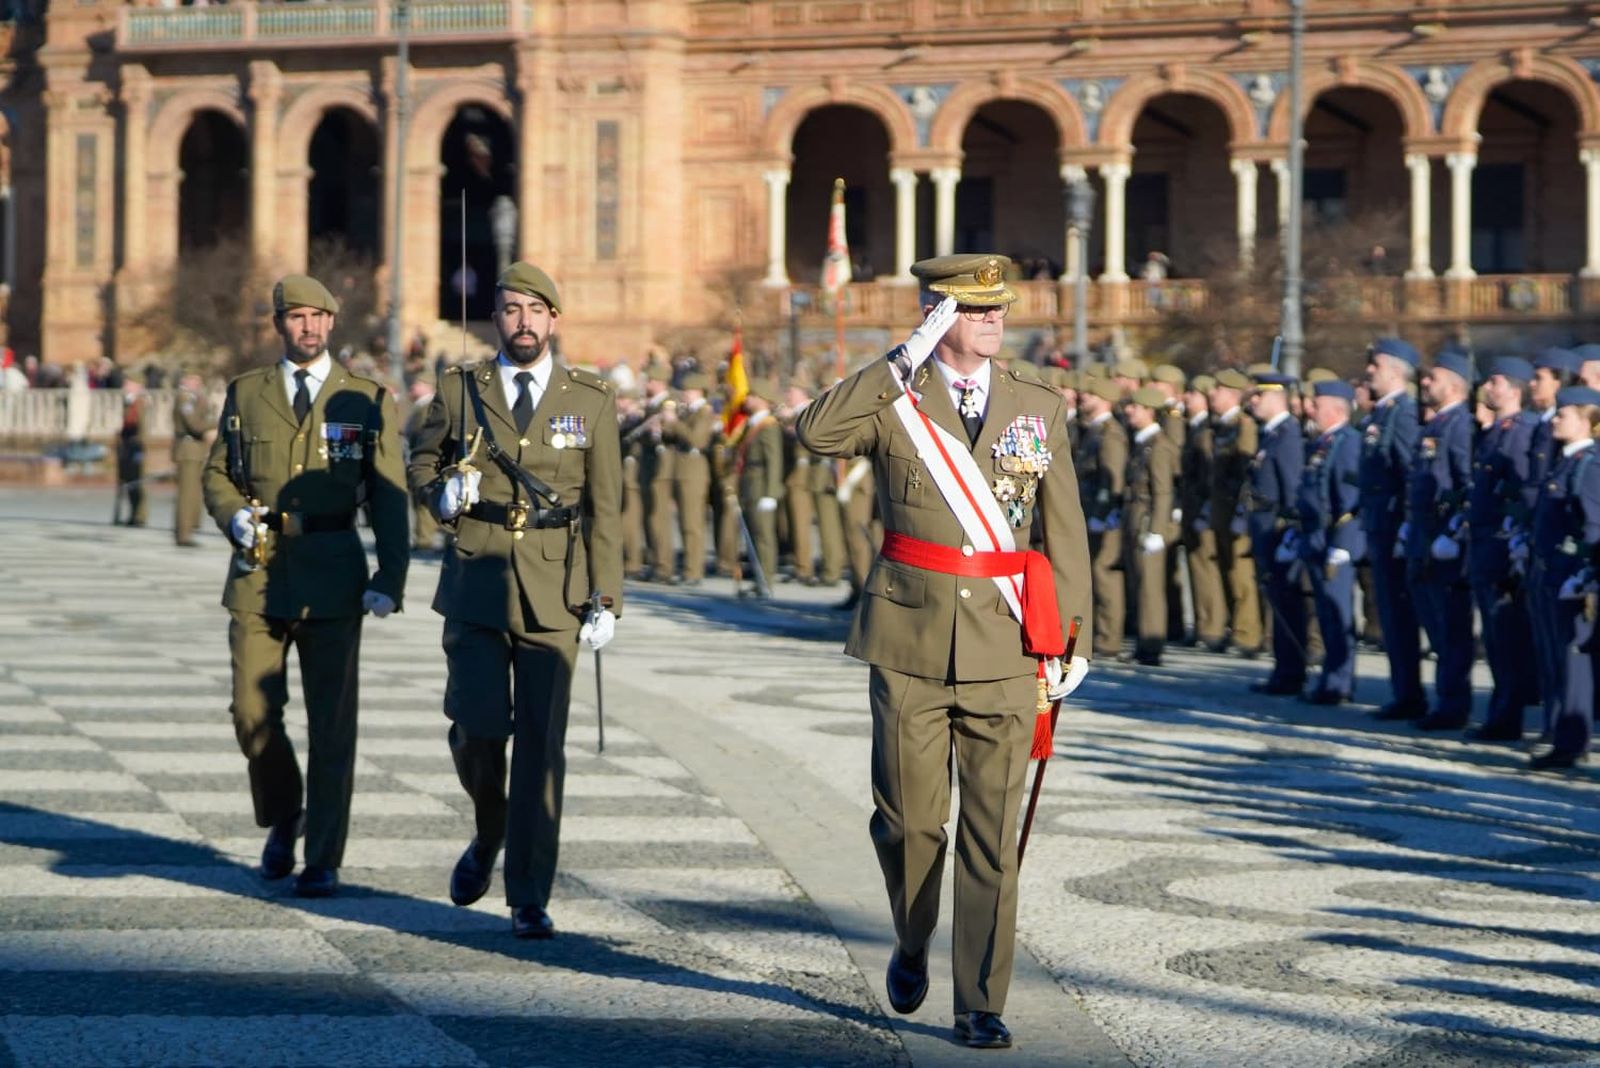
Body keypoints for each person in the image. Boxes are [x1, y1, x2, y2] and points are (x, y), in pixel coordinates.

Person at [797, 254, 1091, 1051]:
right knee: (908, 825)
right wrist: (900, 357)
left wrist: (1071, 638)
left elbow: (1063, 529)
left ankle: (980, 1001)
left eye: (1000, 308)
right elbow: (816, 432)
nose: (995, 319)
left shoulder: (1037, 401)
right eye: (974, 308)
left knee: (992, 836)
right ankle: (911, 933)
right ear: (935, 315)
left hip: (1005, 642)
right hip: (908, 642)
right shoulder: (898, 397)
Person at [407, 261, 622, 938]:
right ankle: (488, 830)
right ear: (494, 318)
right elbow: (422, 460)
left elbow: (608, 506)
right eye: (509, 309)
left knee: (541, 749)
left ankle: (529, 893)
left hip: (556, 589)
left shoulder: (589, 396)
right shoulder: (460, 388)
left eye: (535, 309)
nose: (522, 321)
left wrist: (606, 597)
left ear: (554, 319)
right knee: (478, 732)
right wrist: (439, 494)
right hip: (476, 577)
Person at [202, 274, 410, 897]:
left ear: (333, 323)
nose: (310, 327)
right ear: (278, 324)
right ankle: (285, 810)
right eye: (297, 317)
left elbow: (390, 497)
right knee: (251, 711)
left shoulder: (367, 398)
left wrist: (390, 577)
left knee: (332, 724)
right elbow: (218, 471)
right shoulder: (247, 392)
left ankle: (322, 854)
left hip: (333, 572)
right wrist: (232, 514)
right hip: (259, 572)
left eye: (320, 317)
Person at [1467, 357, 1539, 740]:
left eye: (1495, 382)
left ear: (1514, 389)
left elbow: (1523, 489)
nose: (1488, 388)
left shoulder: (1520, 431)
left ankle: (1507, 715)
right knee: (1495, 637)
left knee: (1507, 638)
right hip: (1484, 545)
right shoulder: (1495, 431)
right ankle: (1500, 710)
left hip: (1500, 546)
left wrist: (1514, 536)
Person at [1529, 386, 1600, 769]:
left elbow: (1594, 527)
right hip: (1554, 572)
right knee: (1562, 658)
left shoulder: (1589, 464)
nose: (1555, 420)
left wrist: (1586, 575)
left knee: (1575, 661)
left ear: (1588, 421)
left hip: (1574, 578)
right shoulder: (1567, 461)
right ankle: (1565, 735)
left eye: (1564, 415)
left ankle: (1572, 743)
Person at [1405, 350, 1476, 730]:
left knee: (1451, 631)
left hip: (1445, 545)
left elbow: (1467, 486)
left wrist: (1454, 532)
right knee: (1436, 630)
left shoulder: (1460, 426)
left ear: (1452, 383)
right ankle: (1444, 700)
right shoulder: (1435, 426)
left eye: (1432, 377)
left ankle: (1453, 706)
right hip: (1423, 539)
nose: (1425, 383)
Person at [1360, 339, 1426, 720]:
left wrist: (1405, 526)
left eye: (1377, 365)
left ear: (1397, 372)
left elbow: (1408, 474)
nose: (1370, 370)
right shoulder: (1380, 414)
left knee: (1400, 615)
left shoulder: (1402, 415)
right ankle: (1403, 691)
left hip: (1394, 529)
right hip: (1379, 526)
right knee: (1390, 613)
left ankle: (1411, 694)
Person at [1297, 380, 1365, 703]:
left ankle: (1340, 681)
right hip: (1315, 537)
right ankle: (1329, 678)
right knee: (1324, 614)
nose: (1310, 409)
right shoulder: (1322, 442)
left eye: (1317, 404)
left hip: (1334, 538)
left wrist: (1343, 542)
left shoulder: (1348, 443)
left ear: (1337, 409)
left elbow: (1350, 497)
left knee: (1338, 613)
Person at [1245, 371, 1306, 696]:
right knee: (1277, 601)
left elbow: (1293, 490)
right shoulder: (1270, 434)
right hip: (1266, 529)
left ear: (1277, 398)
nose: (1252, 401)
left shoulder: (1287, 435)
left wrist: (1291, 532)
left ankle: (1291, 671)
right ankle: (1283, 668)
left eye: (1259, 395)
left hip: (1279, 530)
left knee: (1287, 602)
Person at [1123, 386, 1180, 665]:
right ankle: (1143, 644)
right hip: (1137, 516)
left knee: (1150, 587)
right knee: (1140, 584)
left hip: (1148, 520)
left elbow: (1163, 491)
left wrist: (1157, 529)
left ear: (1148, 410)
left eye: (1135, 407)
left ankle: (1151, 645)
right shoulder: (1143, 442)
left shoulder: (1159, 445)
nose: (1129, 411)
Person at [1209, 369, 1263, 656]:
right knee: (1228, 572)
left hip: (1236, 510)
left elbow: (1244, 470)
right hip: (1222, 510)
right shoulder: (1223, 425)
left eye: (1217, 389)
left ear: (1231, 392)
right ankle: (1235, 627)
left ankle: (1247, 634)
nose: (1211, 395)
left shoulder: (1244, 426)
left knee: (1242, 577)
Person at [1076, 376, 1128, 660]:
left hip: (1102, 516)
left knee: (1104, 574)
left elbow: (1113, 477)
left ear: (1104, 399)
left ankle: (1109, 639)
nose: (1084, 398)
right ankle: (1100, 634)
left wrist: (1103, 512)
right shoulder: (1094, 430)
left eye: (1090, 394)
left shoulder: (1110, 433)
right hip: (1089, 511)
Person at [1180, 374, 1227, 650]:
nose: (1188, 399)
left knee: (1206, 569)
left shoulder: (1207, 430)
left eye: (1194, 394)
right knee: (1197, 569)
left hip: (1204, 507)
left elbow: (1209, 473)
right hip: (1193, 505)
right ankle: (1203, 623)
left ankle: (1212, 626)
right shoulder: (1196, 427)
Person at [663, 373, 714, 584]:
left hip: (694, 473)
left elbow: (697, 440)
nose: (684, 394)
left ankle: (694, 571)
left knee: (693, 524)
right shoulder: (688, 411)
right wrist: (667, 425)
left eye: (688, 391)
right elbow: (670, 440)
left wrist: (675, 423)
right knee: (684, 523)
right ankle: (687, 568)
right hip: (681, 471)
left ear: (698, 391)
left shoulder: (704, 412)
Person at [737, 379, 784, 592]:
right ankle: (759, 578)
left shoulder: (768, 426)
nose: (747, 400)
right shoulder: (752, 423)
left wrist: (771, 494)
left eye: (752, 396)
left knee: (763, 535)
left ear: (762, 400)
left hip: (762, 486)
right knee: (753, 534)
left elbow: (774, 461)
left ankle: (766, 579)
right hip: (750, 483)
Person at [171, 369, 214, 547]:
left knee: (194, 492)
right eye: (194, 380)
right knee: (187, 494)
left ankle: (190, 527)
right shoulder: (184, 399)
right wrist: (213, 424)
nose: (197, 384)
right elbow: (195, 424)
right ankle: (183, 532)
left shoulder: (196, 398)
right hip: (188, 449)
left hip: (196, 449)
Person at [404, 372, 442, 552]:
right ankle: (422, 537)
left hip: (424, 458)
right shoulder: (420, 405)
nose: (413, 387)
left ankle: (424, 539)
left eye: (418, 383)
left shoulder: (429, 405)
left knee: (424, 502)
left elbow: (425, 433)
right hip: (416, 455)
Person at [114, 381, 149, 527]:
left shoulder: (140, 403)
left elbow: (141, 426)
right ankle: (133, 514)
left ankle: (139, 515)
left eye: (128, 384)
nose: (124, 387)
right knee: (129, 482)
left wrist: (140, 448)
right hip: (128, 446)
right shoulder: (129, 402)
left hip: (136, 446)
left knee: (137, 483)